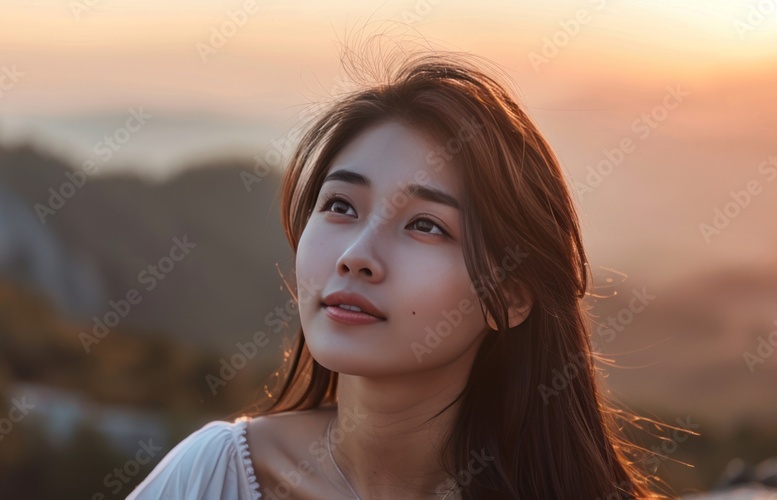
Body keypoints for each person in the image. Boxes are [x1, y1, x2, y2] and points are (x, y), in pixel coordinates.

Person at [128, 47, 666, 499]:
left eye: (426, 225)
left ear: (511, 295)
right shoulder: (216, 477)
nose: (357, 254)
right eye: (340, 206)